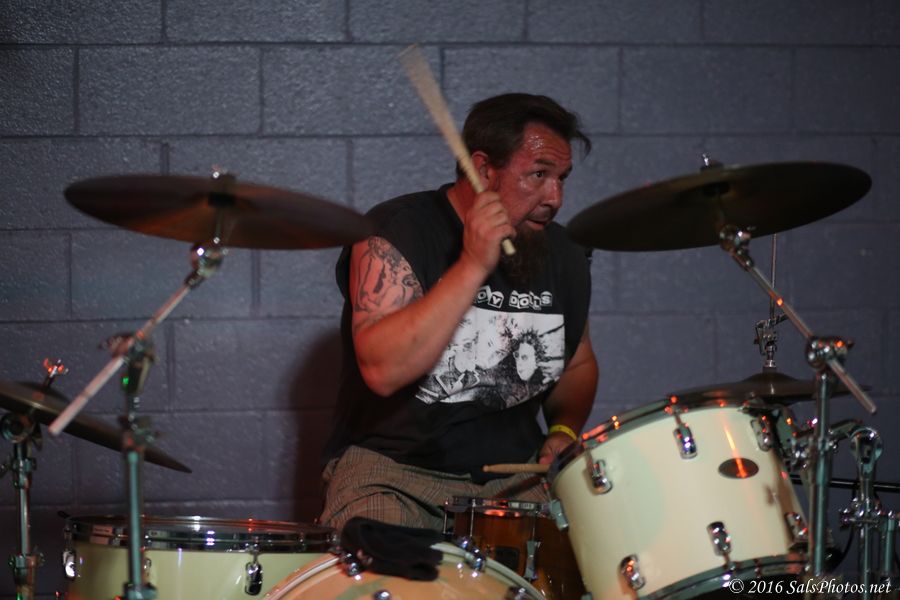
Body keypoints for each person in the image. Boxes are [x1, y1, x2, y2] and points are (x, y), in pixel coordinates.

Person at [319, 93, 598, 532]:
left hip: (511, 478)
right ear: (484, 170)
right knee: (385, 565)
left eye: (561, 178)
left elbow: (577, 365)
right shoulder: (397, 230)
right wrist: (472, 264)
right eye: (538, 175)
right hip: (394, 474)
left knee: (578, 555)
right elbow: (383, 370)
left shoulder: (561, 253)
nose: (555, 197)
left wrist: (563, 430)